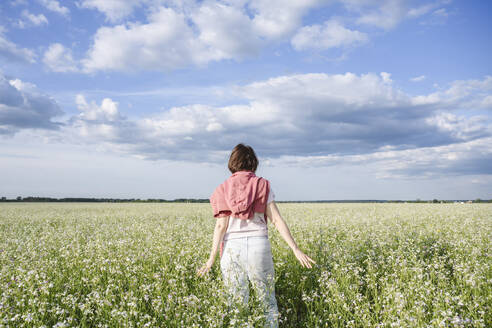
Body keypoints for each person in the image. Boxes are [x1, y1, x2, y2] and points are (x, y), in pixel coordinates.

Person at [197, 143, 315, 327]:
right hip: (258, 246)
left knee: (236, 303)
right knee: (266, 300)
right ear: (253, 162)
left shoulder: (222, 188)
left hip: (231, 248)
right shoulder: (262, 185)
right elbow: (276, 220)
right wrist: (295, 249)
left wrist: (211, 259)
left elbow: (221, 226)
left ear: (232, 162)